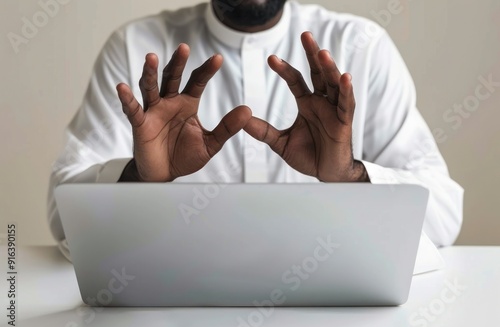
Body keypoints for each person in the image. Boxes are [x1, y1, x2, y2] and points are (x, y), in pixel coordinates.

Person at [48, 0, 464, 260]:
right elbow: (61, 216)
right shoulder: (135, 44)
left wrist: (351, 175)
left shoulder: (362, 45)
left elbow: (445, 215)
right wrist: (141, 176)